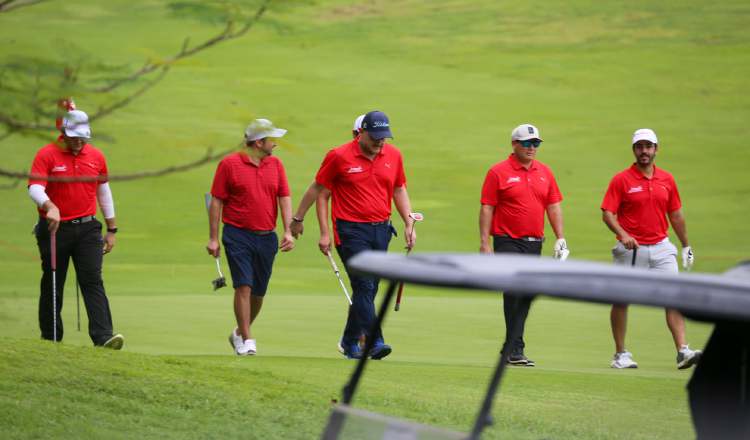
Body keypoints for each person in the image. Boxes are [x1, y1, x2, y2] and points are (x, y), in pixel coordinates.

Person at [291, 110, 416, 360]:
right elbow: (319, 190)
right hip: (349, 230)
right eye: (375, 137)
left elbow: (399, 189)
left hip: (381, 230)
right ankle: (374, 340)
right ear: (362, 133)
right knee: (363, 284)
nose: (380, 142)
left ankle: (349, 342)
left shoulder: (393, 155)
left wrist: (408, 222)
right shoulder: (339, 156)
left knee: (368, 291)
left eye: (384, 137)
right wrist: (302, 220)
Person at [601, 128, 701, 370]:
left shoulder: (666, 179)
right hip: (630, 249)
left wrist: (685, 244)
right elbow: (607, 213)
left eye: (648, 146)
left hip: (661, 247)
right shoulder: (621, 179)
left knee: (673, 297)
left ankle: (682, 351)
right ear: (634, 150)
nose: (644, 151)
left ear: (656, 149)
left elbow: (675, 214)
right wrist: (623, 235)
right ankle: (620, 354)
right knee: (622, 300)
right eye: (639, 147)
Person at [27, 109, 124, 349]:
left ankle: (103, 337)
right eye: (74, 136)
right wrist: (49, 205)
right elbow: (35, 188)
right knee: (53, 281)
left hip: (88, 228)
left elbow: (103, 191)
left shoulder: (96, 156)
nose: (78, 141)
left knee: (92, 280)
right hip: (54, 229)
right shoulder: (47, 154)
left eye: (83, 137)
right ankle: (51, 338)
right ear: (63, 133)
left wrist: (112, 229)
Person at [479, 123, 568, 367]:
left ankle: (511, 345)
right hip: (507, 240)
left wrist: (560, 236)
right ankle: (515, 348)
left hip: (534, 241)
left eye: (536, 143)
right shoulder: (498, 172)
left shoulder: (545, 172)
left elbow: (553, 205)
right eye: (527, 143)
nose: (532, 148)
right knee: (513, 290)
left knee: (527, 293)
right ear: (514, 144)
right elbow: (488, 207)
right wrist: (485, 242)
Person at [207, 118, 295, 356]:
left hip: (267, 237)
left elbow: (284, 197)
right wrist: (214, 238)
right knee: (243, 286)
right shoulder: (229, 164)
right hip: (237, 234)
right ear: (258, 143)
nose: (275, 144)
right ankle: (247, 339)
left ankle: (238, 332)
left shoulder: (276, 165)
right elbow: (217, 200)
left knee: (258, 292)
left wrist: (287, 230)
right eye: (271, 140)